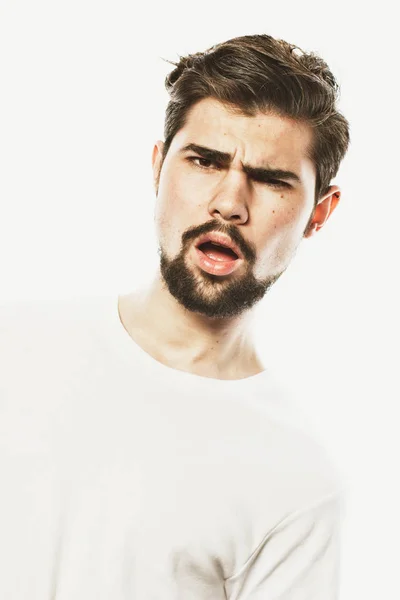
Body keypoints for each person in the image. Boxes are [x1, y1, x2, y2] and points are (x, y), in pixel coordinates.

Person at [0, 33, 350, 598]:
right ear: (160, 166)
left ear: (319, 212)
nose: (229, 203)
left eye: (270, 180)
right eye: (205, 161)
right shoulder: (12, 349)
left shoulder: (298, 481)